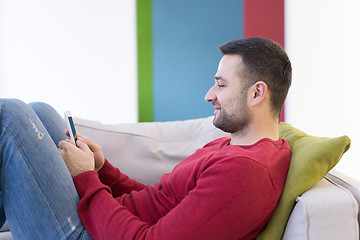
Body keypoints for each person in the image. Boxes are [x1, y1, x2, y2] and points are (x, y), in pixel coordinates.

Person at [0, 37, 292, 240]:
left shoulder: (246, 173)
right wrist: (103, 170)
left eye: (221, 85)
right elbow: (161, 201)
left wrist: (86, 176)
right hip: (104, 227)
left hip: (89, 235)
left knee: (10, 115)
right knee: (42, 112)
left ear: (257, 93)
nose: (209, 95)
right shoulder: (232, 145)